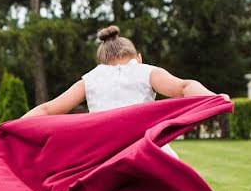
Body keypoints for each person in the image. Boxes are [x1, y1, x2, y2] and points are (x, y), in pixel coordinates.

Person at [22, 25, 226, 156]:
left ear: (101, 61)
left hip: (106, 157)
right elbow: (184, 87)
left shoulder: (90, 79)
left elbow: (47, 110)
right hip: (148, 151)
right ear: (138, 57)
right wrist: (215, 98)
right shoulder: (146, 71)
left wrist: (12, 126)